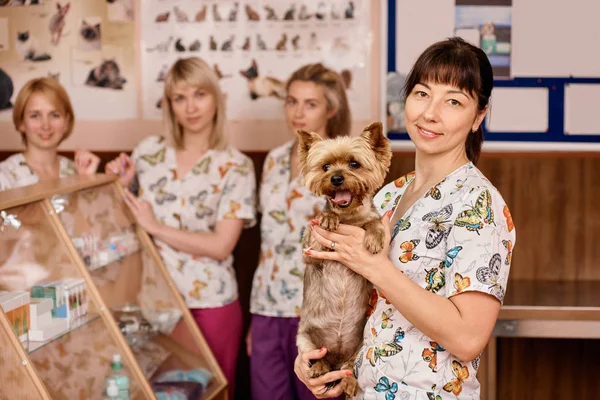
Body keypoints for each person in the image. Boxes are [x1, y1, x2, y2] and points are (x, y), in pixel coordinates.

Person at [294, 37, 516, 399]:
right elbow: (354, 303)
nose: (431, 113)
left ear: (478, 116)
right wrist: (314, 356)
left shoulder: (479, 204)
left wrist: (376, 267)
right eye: (422, 93)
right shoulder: (389, 194)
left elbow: (467, 339)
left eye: (454, 101)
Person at [105, 57, 256, 400]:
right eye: (179, 97)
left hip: (211, 304)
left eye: (199, 94)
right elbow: (126, 223)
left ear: (216, 98)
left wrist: (156, 227)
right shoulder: (147, 154)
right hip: (153, 302)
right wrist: (124, 186)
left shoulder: (236, 165)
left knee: (213, 393)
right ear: (169, 104)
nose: (190, 107)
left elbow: (221, 246)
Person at [247, 63, 351, 400]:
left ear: (331, 109)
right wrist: (256, 321)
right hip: (267, 307)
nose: (298, 113)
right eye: (291, 102)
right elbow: (268, 242)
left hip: (318, 314)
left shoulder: (342, 165)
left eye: (310, 104)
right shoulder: (274, 160)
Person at [0, 77, 99, 191]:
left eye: (54, 115)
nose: (46, 125)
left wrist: (86, 182)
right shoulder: (3, 176)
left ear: (66, 121)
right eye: (35, 116)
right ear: (21, 122)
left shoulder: (79, 172)